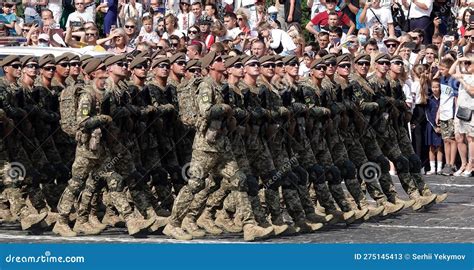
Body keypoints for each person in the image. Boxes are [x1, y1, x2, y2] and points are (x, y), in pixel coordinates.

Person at [451, 56, 474, 177]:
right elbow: (451, 72)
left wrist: (462, 81)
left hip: (472, 110)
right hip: (460, 110)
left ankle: (471, 164)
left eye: (469, 63)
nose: (466, 65)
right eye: (466, 63)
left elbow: (472, 91)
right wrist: (458, 61)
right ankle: (463, 164)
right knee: (459, 137)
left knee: (471, 138)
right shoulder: (465, 75)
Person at [437, 57, 459, 176]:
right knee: (445, 139)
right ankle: (446, 164)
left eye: (443, 69)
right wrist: (438, 112)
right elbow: (442, 98)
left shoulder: (453, 80)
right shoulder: (442, 80)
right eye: (439, 69)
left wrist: (456, 114)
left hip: (451, 113)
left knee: (452, 139)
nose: (440, 71)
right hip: (444, 112)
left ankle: (452, 163)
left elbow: (455, 98)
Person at [425, 78, 443, 175]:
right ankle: (432, 168)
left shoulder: (443, 98)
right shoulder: (429, 99)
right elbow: (427, 114)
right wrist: (434, 126)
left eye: (437, 87)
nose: (435, 89)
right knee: (431, 147)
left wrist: (440, 126)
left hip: (441, 125)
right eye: (433, 87)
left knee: (440, 147)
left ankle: (439, 168)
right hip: (431, 126)